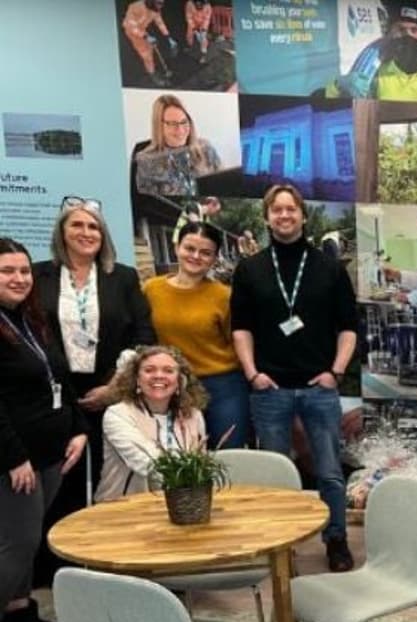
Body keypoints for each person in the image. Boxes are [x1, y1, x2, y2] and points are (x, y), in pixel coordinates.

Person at [230, 185, 357, 572]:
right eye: (277, 210)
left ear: (303, 216)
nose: (284, 216)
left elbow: (349, 328)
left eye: (291, 209)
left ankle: (336, 539)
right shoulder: (250, 269)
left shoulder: (329, 268)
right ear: (267, 217)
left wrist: (335, 372)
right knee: (276, 476)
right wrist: (253, 375)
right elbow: (241, 329)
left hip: (319, 389)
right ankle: (282, 547)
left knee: (330, 473)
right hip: (271, 390)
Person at [32, 197, 155, 587]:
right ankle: (55, 567)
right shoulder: (39, 276)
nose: (86, 233)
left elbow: (143, 335)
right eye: (77, 226)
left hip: (110, 388)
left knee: (110, 475)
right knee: (61, 475)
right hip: (56, 391)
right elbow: (30, 332)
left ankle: (111, 559)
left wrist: (114, 386)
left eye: (94, 227)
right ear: (62, 232)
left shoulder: (123, 277)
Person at [0, 237, 86, 622]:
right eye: (6, 271)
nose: (18, 278)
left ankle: (19, 614)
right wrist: (13, 457)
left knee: (30, 539)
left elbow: (60, 377)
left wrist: (78, 428)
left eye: (23, 271)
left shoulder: (29, 320)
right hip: (14, 460)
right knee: (16, 543)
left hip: (50, 450)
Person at [142, 222, 248, 449]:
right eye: (189, 248)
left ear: (214, 258)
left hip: (222, 386)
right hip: (171, 384)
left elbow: (239, 341)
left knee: (227, 455)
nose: (196, 256)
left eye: (205, 252)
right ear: (177, 247)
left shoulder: (224, 296)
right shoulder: (151, 289)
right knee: (180, 456)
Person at [95, 346, 208, 501]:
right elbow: (145, 462)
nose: (159, 376)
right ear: (136, 379)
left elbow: (200, 468)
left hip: (182, 505)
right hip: (123, 508)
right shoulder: (117, 414)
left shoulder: (193, 415)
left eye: (168, 370)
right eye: (149, 370)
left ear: (180, 381)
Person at [325, 2, 417, 103]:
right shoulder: (371, 73)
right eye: (400, 29)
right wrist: (337, 87)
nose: (407, 36)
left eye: (414, 30)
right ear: (390, 34)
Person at [134, 95, 222, 198]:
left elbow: (224, 184)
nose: (180, 130)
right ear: (159, 126)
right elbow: (149, 205)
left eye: (184, 122)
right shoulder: (147, 160)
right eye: (172, 124)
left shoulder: (205, 148)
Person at [122, 0, 175, 86]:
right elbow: (130, 26)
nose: (160, 7)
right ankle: (152, 74)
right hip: (132, 31)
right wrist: (145, 37)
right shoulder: (135, 7)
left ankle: (152, 66)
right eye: (159, 4)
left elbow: (159, 22)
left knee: (151, 47)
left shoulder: (155, 8)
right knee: (146, 55)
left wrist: (168, 37)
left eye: (162, 4)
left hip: (143, 29)